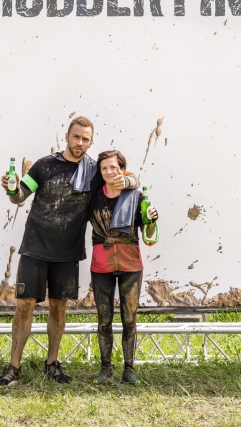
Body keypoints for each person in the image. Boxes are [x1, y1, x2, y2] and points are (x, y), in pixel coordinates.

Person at [0, 117, 139, 386]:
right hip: (35, 246)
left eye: (85, 139)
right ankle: (13, 367)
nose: (80, 143)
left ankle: (52, 364)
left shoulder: (94, 171)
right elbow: (20, 195)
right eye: (76, 137)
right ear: (67, 136)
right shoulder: (44, 165)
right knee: (24, 306)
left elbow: (129, 178)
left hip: (68, 252)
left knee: (59, 308)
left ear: (91, 142)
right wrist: (11, 189)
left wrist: (128, 180)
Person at [88, 150, 158, 385]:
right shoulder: (93, 197)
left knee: (129, 318)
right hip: (101, 265)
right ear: (100, 172)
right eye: (105, 168)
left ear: (122, 169)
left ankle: (129, 370)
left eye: (114, 167)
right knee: (104, 319)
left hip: (130, 264)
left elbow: (148, 234)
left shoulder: (136, 197)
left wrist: (151, 220)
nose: (110, 172)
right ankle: (105, 369)